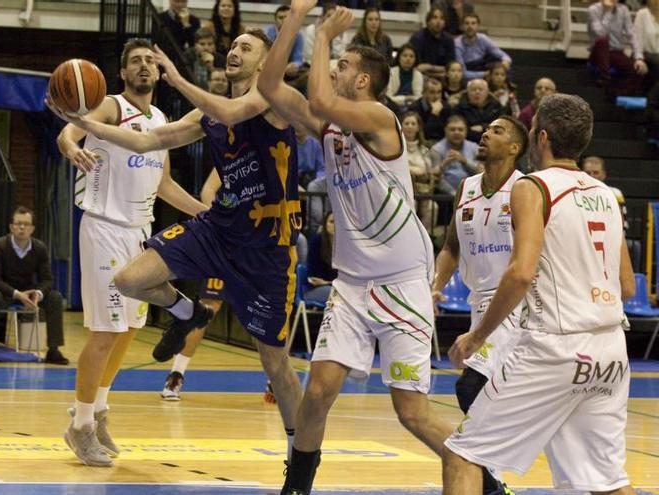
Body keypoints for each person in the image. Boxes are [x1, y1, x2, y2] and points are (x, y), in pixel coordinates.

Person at [61, 29, 305, 470]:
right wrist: (80, 124)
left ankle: (301, 456)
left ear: (266, 63)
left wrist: (176, 76)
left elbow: (232, 110)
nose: (234, 51)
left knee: (276, 365)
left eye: (246, 48)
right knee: (129, 282)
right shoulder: (198, 115)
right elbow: (143, 141)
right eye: (232, 46)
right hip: (218, 228)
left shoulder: (273, 98)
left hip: (267, 247)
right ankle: (185, 314)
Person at [257, 3, 454, 493]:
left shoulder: (379, 116)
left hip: (403, 284)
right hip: (353, 285)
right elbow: (268, 86)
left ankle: (484, 478)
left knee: (411, 413)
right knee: (318, 392)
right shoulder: (329, 124)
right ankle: (297, 486)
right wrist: (295, 23)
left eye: (342, 65)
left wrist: (323, 33)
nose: (333, 68)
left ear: (363, 80)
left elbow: (321, 100)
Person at [442, 93, 636, 495]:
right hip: (611, 351)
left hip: (557, 347)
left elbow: (521, 273)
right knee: (606, 484)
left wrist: (476, 337)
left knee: (463, 456)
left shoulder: (533, 187)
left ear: (541, 138)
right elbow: (628, 285)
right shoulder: (606, 194)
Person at [51, 39, 208, 467]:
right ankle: (79, 426)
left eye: (149, 62)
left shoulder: (159, 120)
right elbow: (69, 131)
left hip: (140, 232)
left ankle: (98, 409)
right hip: (104, 227)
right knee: (105, 331)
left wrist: (207, 213)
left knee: (128, 330)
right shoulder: (110, 106)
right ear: (122, 73)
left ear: (158, 73)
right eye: (135, 61)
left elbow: (165, 187)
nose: (143, 67)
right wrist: (72, 148)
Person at [431, 115, 528, 495]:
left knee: (471, 386)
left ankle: (491, 480)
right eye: (485, 129)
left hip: (515, 303)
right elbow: (452, 247)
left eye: (497, 131)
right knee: (481, 391)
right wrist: (435, 286)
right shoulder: (467, 187)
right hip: (478, 302)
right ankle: (493, 480)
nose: (485, 133)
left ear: (516, 148)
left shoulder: (526, 190)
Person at [161, 168, 224, 401]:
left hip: (261, 247)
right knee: (208, 307)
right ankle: (176, 375)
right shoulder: (232, 154)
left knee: (272, 312)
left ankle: (275, 381)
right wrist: (219, 220)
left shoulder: (277, 155)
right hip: (229, 243)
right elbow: (207, 190)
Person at [0, 206, 68, 366]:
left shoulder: (39, 248)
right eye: (18, 224)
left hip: (27, 291)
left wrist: (38, 294)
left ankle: (53, 350)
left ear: (32, 229)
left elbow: (47, 279)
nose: (22, 227)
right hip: (1, 290)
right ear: (11, 227)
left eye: (26, 224)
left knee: (55, 298)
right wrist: (17, 294)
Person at [588, 0, 647, 96]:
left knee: (637, 69)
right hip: (598, 52)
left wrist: (639, 58)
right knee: (602, 41)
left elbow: (631, 35)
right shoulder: (594, 9)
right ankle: (605, 78)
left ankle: (618, 94)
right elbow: (600, 33)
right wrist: (608, 12)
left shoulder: (623, 9)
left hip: (615, 52)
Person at [401, 111, 441, 240]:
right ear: (401, 126)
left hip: (423, 189)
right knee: (412, 204)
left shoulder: (425, 150)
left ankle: (425, 239)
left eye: (413, 123)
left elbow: (429, 170)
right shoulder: (396, 148)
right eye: (407, 123)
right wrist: (415, 170)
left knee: (432, 206)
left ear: (418, 127)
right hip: (403, 190)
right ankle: (408, 239)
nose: (410, 126)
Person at [455, 13, 512, 81]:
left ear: (478, 26)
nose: (470, 26)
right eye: (467, 23)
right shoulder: (457, 44)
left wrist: (506, 61)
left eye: (473, 23)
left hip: (482, 66)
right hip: (468, 71)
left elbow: (502, 54)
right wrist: (484, 74)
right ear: (462, 26)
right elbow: (463, 73)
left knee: (503, 69)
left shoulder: (483, 38)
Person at [431, 114, 479, 195]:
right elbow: (435, 178)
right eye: (452, 129)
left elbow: (481, 172)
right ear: (445, 130)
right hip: (445, 197)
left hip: (472, 194)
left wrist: (465, 161)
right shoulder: (437, 149)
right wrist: (454, 194)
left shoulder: (474, 148)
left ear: (466, 131)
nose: (456, 132)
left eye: (460, 129)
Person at [453, 78, 508, 143]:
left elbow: (502, 126)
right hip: (468, 142)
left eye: (480, 89)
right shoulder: (459, 108)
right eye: (473, 89)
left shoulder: (496, 106)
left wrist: (483, 127)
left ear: (487, 92)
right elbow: (461, 130)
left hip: (493, 142)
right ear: (467, 92)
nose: (477, 92)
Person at [409, 7, 456, 79]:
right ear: (428, 21)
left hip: (443, 77)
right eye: (435, 18)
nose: (438, 21)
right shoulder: (418, 38)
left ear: (445, 23)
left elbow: (451, 66)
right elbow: (418, 68)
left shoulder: (448, 39)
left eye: (442, 18)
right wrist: (440, 72)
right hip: (421, 77)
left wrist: (430, 67)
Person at [303, 212, 336, 305]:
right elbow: (313, 278)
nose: (335, 225)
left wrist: (327, 282)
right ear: (325, 224)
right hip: (313, 289)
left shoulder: (343, 245)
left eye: (338, 222)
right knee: (340, 295)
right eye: (331, 222)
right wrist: (330, 283)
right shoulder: (316, 241)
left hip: (332, 286)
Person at [265, 5, 304, 80]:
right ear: (275, 21)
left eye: (287, 17)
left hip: (289, 72)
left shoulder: (298, 35)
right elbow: (265, 57)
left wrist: (295, 65)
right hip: (269, 71)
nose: (284, 20)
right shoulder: (267, 34)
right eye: (280, 18)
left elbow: (298, 58)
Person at [387, 43, 423, 110]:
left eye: (411, 56)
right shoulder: (391, 72)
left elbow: (418, 98)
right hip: (393, 106)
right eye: (405, 55)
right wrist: (406, 98)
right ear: (399, 57)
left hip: (413, 107)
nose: (408, 58)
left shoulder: (418, 74)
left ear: (415, 59)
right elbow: (389, 97)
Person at [415, 77, 451, 142]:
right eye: (432, 92)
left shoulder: (446, 106)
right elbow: (423, 134)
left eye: (439, 92)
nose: (436, 96)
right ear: (423, 93)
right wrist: (433, 114)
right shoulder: (415, 107)